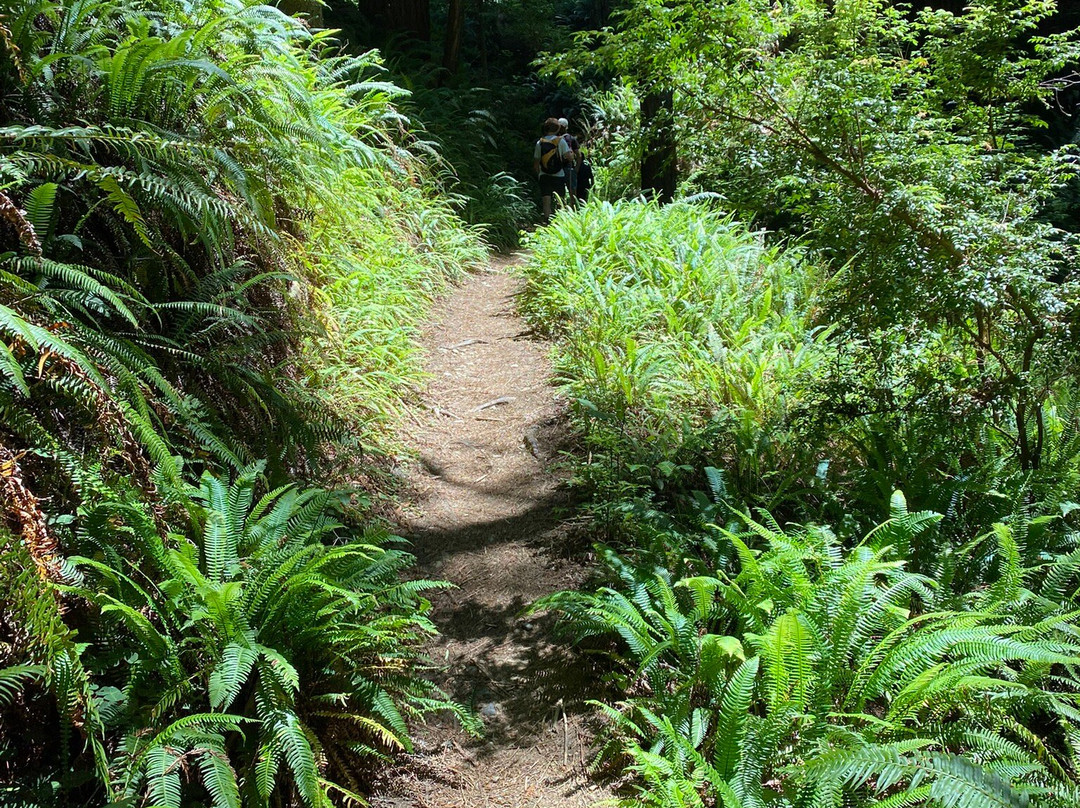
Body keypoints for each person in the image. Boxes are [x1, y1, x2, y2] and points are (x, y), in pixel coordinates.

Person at [533, 117, 571, 223]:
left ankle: (547, 221)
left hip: (544, 175)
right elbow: (569, 157)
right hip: (559, 174)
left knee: (546, 200)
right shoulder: (560, 141)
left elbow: (536, 163)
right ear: (558, 129)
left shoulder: (539, 143)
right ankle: (560, 221)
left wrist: (539, 174)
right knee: (561, 199)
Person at [558, 117, 581, 203]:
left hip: (557, 168)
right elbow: (579, 155)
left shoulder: (554, 139)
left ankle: (560, 209)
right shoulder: (571, 139)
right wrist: (576, 169)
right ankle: (573, 208)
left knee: (559, 192)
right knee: (572, 191)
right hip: (569, 167)